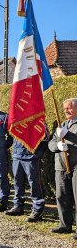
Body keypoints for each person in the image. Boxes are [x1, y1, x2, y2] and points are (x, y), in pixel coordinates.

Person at [6, 126, 49, 221]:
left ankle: (37, 210)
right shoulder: (17, 120)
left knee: (34, 183)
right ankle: (18, 206)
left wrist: (39, 153)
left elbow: (45, 138)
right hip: (17, 155)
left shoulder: (37, 118)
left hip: (31, 158)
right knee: (17, 182)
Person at [48, 98, 77, 239]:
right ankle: (65, 225)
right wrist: (57, 146)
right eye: (65, 108)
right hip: (61, 165)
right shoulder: (62, 124)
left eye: (70, 108)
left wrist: (68, 135)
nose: (66, 110)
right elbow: (51, 143)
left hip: (76, 164)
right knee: (62, 196)